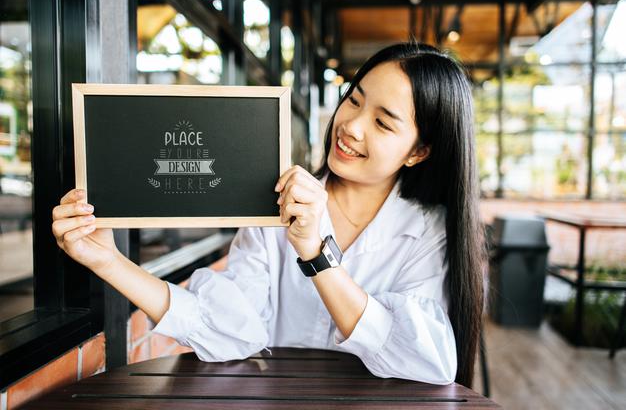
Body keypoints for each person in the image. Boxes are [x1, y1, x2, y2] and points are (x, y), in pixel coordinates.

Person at [51, 42, 485, 387]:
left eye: (384, 123)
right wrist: (108, 261)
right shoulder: (276, 200)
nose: (351, 126)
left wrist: (316, 253)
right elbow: (229, 330)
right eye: (354, 101)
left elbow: (426, 361)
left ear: (419, 151)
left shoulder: (428, 231)